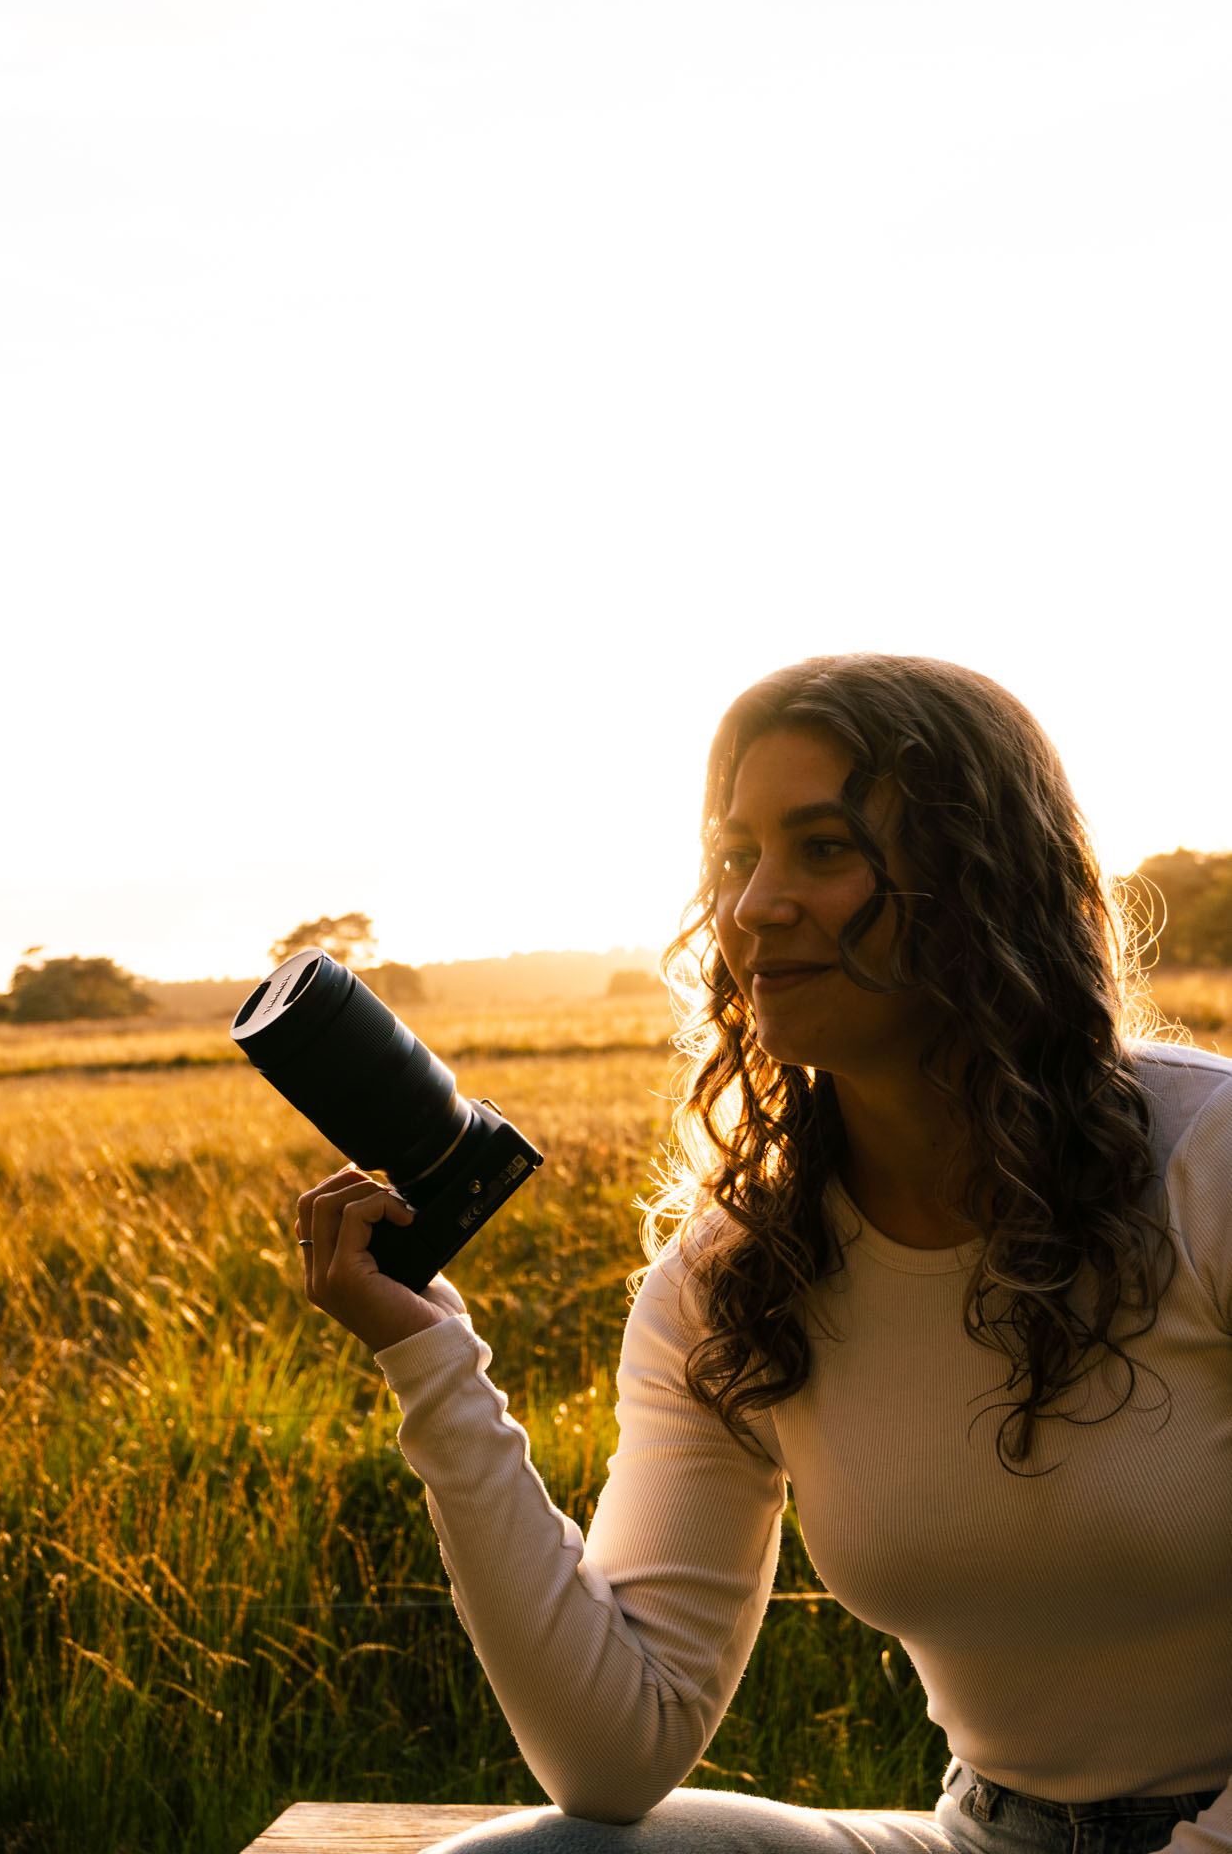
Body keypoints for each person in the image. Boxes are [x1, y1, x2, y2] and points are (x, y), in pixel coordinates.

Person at [294, 654, 1231, 1854]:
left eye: (825, 849)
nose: (753, 906)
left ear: (982, 878)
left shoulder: (1208, 1162)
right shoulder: (737, 1271)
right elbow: (612, 1751)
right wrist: (431, 1361)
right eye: (738, 857)